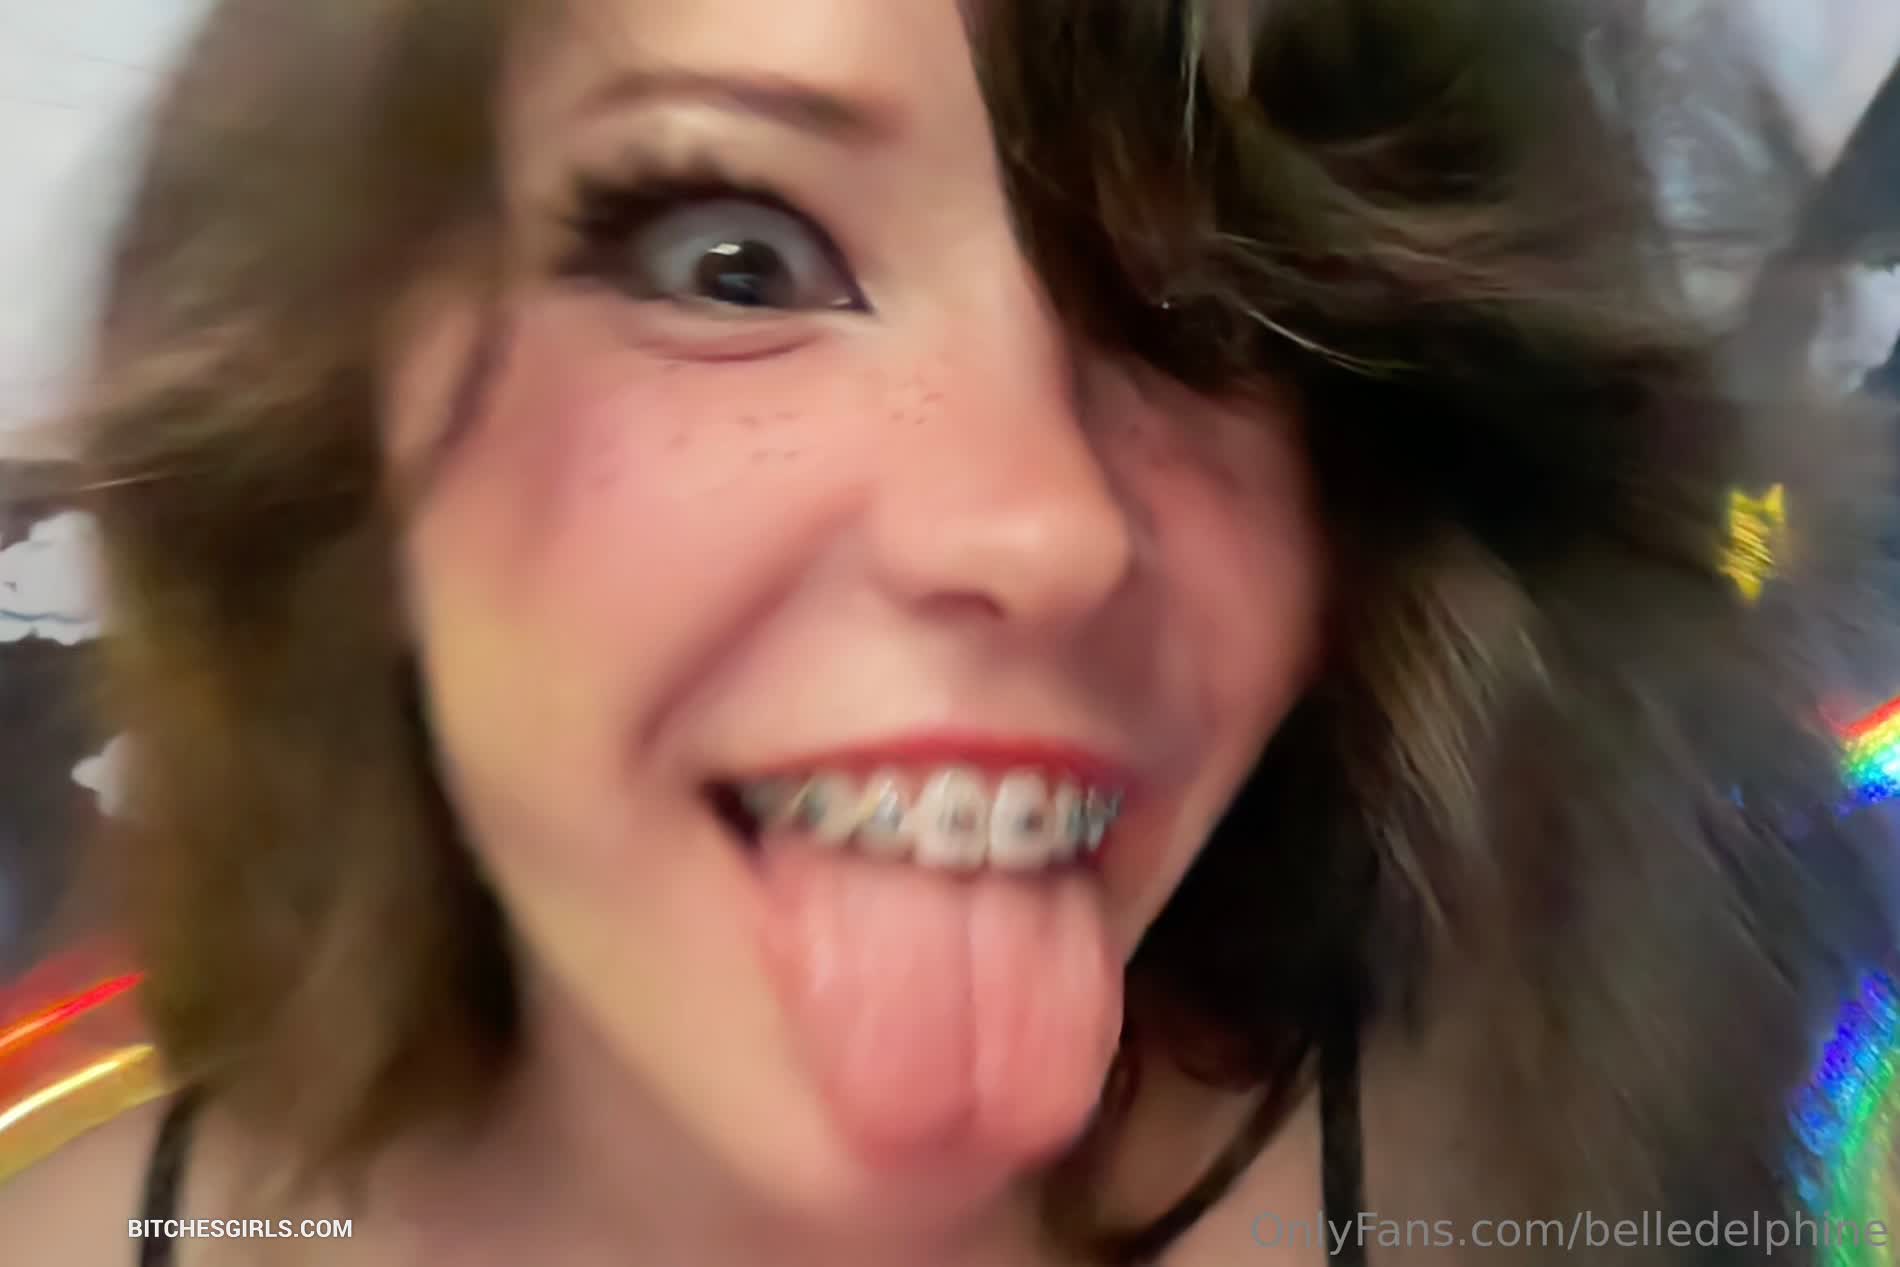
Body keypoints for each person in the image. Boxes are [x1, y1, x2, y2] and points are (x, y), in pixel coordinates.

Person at [3, 0, 1898, 1263]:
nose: (1049, 527)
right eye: (733, 259)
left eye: (1218, 321)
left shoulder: (1535, 1173)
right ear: (342, 428)